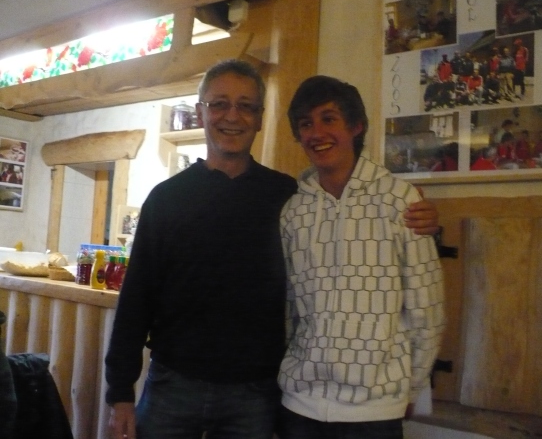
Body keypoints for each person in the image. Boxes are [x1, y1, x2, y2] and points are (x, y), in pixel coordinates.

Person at [104, 60, 441, 439]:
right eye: (219, 104)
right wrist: (120, 392)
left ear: (260, 118)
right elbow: (136, 299)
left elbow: (346, 212)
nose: (233, 116)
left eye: (246, 106)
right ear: (201, 113)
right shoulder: (166, 199)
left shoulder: (287, 197)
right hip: (173, 384)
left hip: (256, 393)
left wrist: (423, 217)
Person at [276, 76, 445, 439]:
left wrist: (413, 387)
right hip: (299, 404)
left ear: (356, 126)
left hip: (374, 408)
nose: (317, 133)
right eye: (306, 124)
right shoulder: (293, 211)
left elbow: (427, 308)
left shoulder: (400, 200)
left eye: (329, 118)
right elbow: (290, 308)